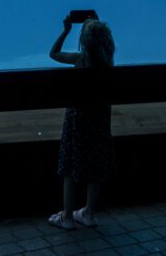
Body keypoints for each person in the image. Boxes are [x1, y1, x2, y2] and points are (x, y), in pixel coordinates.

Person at [47, 15, 115, 230]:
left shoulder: (80, 60)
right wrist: (95, 25)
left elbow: (53, 53)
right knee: (95, 164)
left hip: (79, 122)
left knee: (69, 165)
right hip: (100, 121)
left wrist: (66, 30)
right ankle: (88, 212)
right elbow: (100, 42)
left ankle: (67, 216)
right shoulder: (108, 63)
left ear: (84, 42)